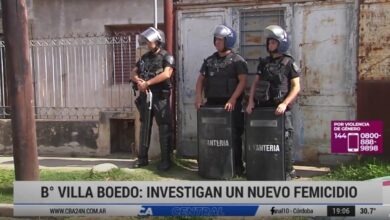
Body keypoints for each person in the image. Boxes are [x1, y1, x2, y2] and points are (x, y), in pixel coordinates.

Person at [246, 25, 301, 180]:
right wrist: (250, 102)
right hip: (263, 108)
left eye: (273, 42)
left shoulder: (289, 63)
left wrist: (285, 103)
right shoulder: (263, 63)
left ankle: (287, 170)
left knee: (285, 140)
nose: (270, 45)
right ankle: (263, 168)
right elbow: (255, 84)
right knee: (262, 141)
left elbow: (296, 87)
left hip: (280, 110)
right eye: (269, 42)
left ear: (281, 43)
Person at [195, 24, 248, 175]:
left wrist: (232, 100)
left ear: (228, 41)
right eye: (216, 40)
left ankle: (237, 167)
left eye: (220, 40)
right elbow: (200, 81)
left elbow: (243, 82)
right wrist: (198, 97)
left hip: (231, 106)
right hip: (212, 105)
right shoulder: (210, 61)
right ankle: (212, 166)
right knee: (211, 136)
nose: (217, 42)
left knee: (234, 136)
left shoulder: (237, 61)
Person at [130, 27, 174, 171]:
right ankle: (142, 159)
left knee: (164, 128)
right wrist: (138, 81)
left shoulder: (167, 56)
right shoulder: (144, 58)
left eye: (150, 41)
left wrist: (147, 83)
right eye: (147, 41)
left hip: (160, 96)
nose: (147, 43)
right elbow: (133, 72)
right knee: (144, 127)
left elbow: (167, 74)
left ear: (158, 41)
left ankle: (166, 160)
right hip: (145, 96)